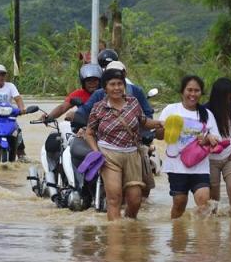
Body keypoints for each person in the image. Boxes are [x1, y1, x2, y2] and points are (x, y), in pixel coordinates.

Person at [84, 67, 162, 221]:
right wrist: (96, 152)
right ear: (105, 87)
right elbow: (89, 133)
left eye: (120, 84)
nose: (116, 88)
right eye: (112, 84)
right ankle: (116, 239)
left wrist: (159, 123)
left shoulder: (133, 103)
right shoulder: (98, 108)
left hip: (132, 153)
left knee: (135, 199)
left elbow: (144, 122)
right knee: (114, 198)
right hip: (108, 155)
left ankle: (129, 228)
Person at [156, 75, 220, 219]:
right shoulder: (171, 109)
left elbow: (217, 139)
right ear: (182, 91)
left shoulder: (207, 114)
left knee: (204, 203)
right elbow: (159, 136)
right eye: (189, 90)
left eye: (196, 91)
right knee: (179, 204)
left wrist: (208, 139)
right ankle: (177, 236)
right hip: (176, 166)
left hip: (200, 166)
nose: (192, 94)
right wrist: (165, 128)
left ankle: (203, 240)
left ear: (201, 93)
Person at [205, 78, 231, 209]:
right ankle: (214, 228)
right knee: (214, 199)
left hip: (230, 156)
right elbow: (198, 134)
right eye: (230, 95)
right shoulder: (205, 110)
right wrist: (207, 136)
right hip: (210, 159)